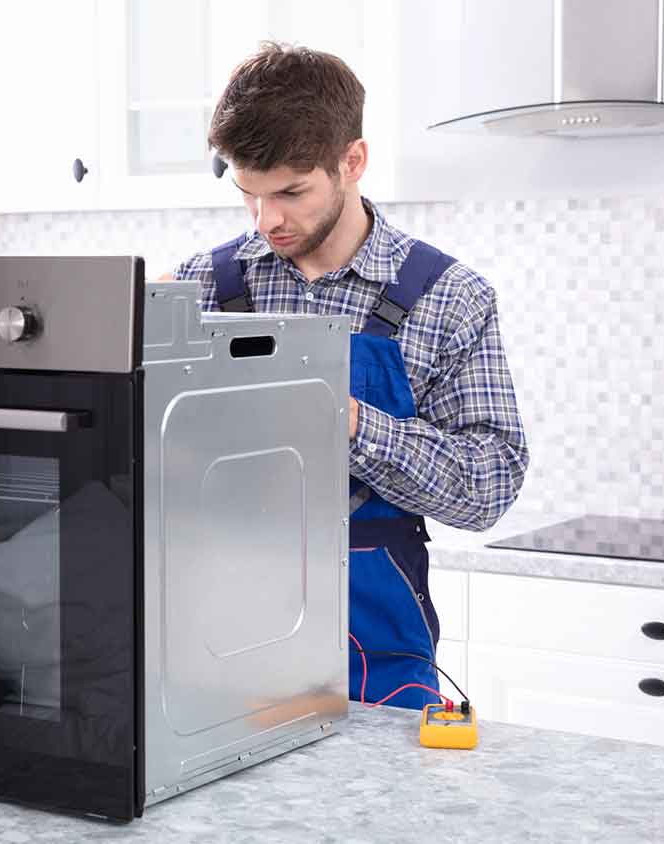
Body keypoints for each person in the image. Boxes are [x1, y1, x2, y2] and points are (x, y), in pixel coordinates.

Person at [163, 42, 530, 709]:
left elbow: (490, 489)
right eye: (248, 194)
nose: (266, 220)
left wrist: (349, 421)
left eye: (290, 192)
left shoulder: (448, 298)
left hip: (374, 650)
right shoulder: (199, 286)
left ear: (352, 161)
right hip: (215, 645)